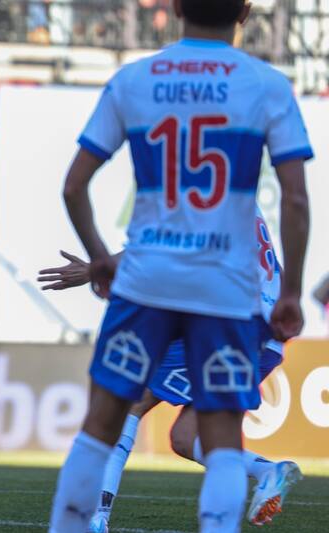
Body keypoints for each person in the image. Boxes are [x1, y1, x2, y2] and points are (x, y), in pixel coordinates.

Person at [46, 0, 312, 531]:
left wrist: (99, 259)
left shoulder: (134, 80)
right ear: (245, 13)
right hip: (227, 291)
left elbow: (74, 186)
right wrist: (292, 293)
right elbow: (297, 202)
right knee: (214, 435)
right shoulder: (267, 85)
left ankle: (83, 522)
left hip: (149, 286)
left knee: (106, 421)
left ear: (171, 8)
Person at [39, 209, 303, 531]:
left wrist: (95, 269)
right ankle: (267, 471)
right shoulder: (240, 191)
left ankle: (97, 517)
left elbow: (161, 248)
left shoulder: (206, 186)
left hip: (236, 324)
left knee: (128, 402)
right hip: (263, 334)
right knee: (184, 438)